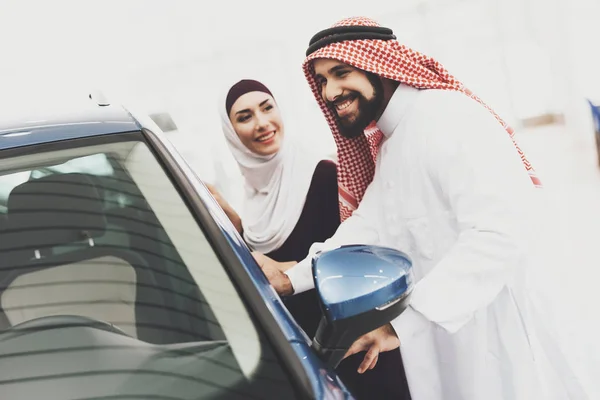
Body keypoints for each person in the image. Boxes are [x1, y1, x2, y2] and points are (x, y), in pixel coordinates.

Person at [252, 16, 584, 400]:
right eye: (323, 81)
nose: (329, 92)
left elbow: (499, 233)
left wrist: (401, 324)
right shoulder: (395, 142)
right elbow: (369, 228)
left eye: (340, 72)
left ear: (380, 64)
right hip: (448, 346)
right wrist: (290, 279)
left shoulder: (447, 115)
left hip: (499, 338)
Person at [214, 78, 410, 399]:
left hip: (353, 349)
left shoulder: (322, 175)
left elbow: (352, 258)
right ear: (230, 131)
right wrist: (232, 222)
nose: (262, 123)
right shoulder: (251, 197)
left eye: (267, 108)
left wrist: (288, 273)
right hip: (302, 354)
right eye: (245, 116)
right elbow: (268, 263)